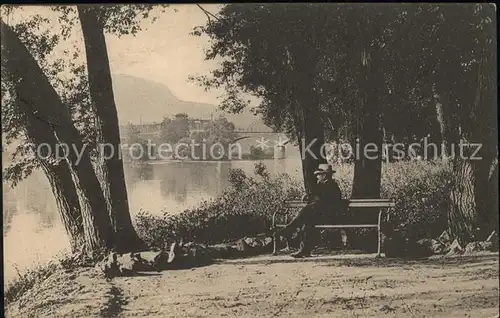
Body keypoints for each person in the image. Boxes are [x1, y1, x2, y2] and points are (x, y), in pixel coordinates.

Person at [280, 163, 342, 258]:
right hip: (321, 215)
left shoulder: (332, 186)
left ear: (325, 175)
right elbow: (316, 198)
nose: (317, 177)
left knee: (307, 211)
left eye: (319, 174)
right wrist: (309, 196)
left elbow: (327, 203)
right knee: (308, 222)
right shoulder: (322, 185)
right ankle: (304, 250)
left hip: (330, 216)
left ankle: (289, 230)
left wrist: (313, 197)